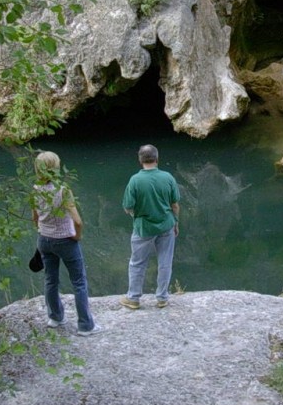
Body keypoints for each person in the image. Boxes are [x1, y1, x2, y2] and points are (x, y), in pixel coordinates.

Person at [32, 151, 103, 336]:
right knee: (79, 282)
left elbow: (35, 218)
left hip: (44, 240)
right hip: (65, 241)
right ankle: (85, 326)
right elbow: (78, 221)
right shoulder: (63, 190)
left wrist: (43, 231)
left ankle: (55, 317)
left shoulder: (34, 189)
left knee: (50, 279)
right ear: (55, 168)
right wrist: (77, 236)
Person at [120, 144, 180, 310]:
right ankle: (162, 298)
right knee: (165, 261)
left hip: (143, 227)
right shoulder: (167, 177)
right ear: (157, 159)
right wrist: (175, 222)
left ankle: (133, 298)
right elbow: (175, 205)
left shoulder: (135, 180)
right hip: (166, 226)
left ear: (140, 160)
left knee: (137, 262)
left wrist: (135, 215)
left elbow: (127, 206)